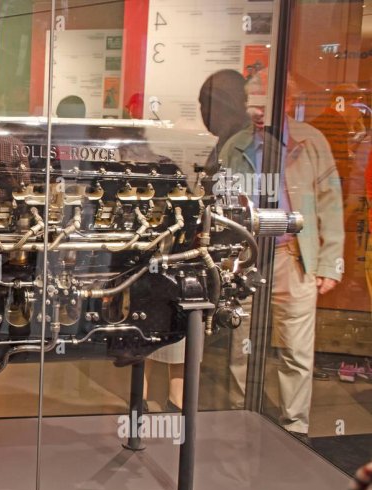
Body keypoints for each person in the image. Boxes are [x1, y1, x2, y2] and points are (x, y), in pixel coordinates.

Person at [224, 80, 345, 441]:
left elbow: (331, 203)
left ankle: (295, 426)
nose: (258, 111)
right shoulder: (236, 145)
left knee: (295, 349)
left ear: (287, 100)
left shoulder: (310, 142)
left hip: (292, 257)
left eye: (266, 103)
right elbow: (221, 203)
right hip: (247, 258)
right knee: (242, 345)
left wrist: (329, 263)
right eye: (253, 103)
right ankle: (240, 414)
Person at [144, 70, 250, 412]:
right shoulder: (219, 147)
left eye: (208, 104)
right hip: (185, 252)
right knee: (157, 325)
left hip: (208, 251)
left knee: (181, 326)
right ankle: (157, 400)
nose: (204, 113)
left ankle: (171, 401)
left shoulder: (234, 146)